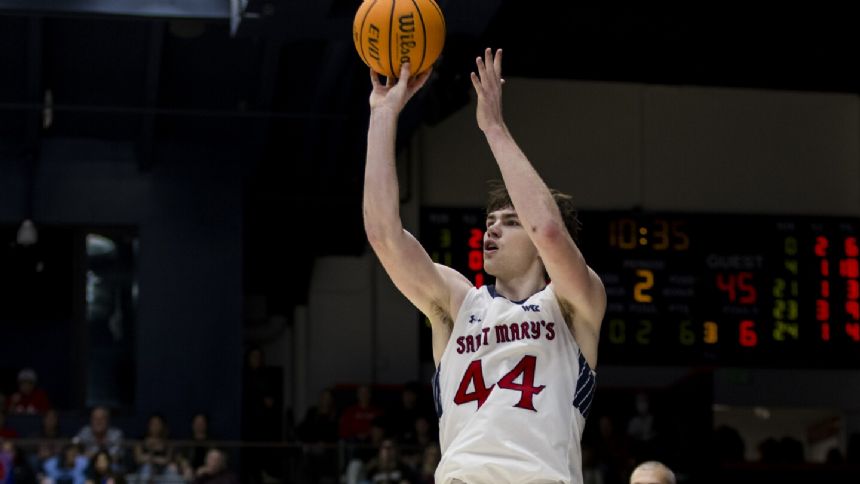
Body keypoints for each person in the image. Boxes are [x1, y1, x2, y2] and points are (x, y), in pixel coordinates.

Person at [363, 48, 607, 484]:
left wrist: (494, 128)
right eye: (489, 222)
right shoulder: (459, 302)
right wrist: (383, 116)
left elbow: (549, 230)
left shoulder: (574, 303)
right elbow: (384, 235)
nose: (490, 231)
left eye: (510, 223)